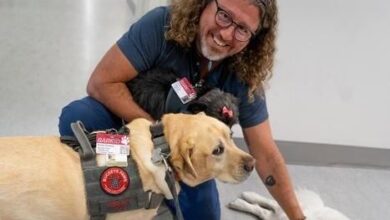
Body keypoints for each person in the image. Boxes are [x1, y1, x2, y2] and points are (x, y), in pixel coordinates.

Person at [58, 0, 306, 219]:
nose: (227, 34)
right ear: (204, 4)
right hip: (129, 134)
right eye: (224, 15)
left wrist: (297, 217)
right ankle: (119, 185)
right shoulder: (161, 26)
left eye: (242, 29)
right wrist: (160, 137)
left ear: (254, 38)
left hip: (186, 159)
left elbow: (266, 154)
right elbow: (101, 83)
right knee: (79, 117)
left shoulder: (245, 73)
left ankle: (162, 192)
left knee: (205, 216)